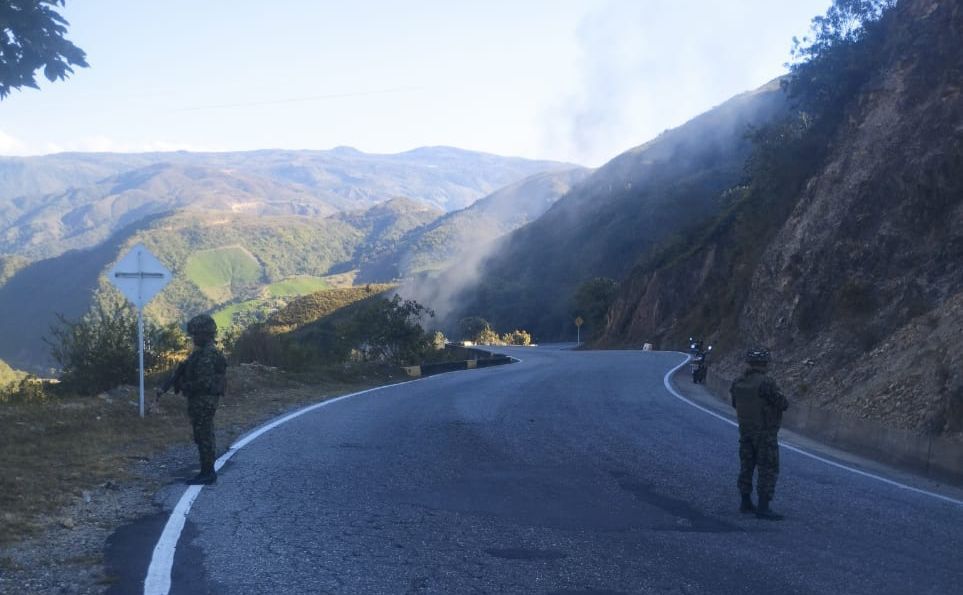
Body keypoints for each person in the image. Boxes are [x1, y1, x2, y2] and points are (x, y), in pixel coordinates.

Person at [157, 314, 227, 485]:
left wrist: (185, 385)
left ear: (205, 334)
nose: (193, 338)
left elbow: (204, 382)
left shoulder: (207, 355)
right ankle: (206, 471)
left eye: (196, 334)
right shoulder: (201, 354)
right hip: (201, 400)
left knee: (204, 435)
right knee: (202, 434)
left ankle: (207, 473)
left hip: (204, 400)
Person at [730, 347, 788, 520]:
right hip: (764, 433)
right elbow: (783, 404)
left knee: (746, 466)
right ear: (764, 363)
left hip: (745, 430)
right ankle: (763, 507)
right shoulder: (766, 382)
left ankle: (745, 502)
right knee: (768, 468)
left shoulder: (737, 382)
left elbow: (735, 404)